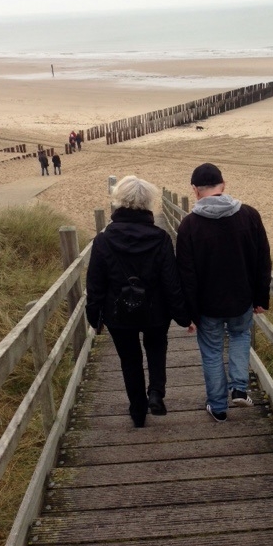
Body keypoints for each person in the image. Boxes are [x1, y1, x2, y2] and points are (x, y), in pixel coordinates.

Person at [86, 175, 194, 428]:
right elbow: (171, 281)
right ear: (148, 203)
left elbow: (95, 283)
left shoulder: (103, 240)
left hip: (118, 312)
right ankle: (156, 392)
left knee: (129, 359)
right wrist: (183, 315)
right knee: (156, 347)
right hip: (156, 310)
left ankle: (137, 410)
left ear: (118, 200)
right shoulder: (160, 238)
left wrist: (94, 317)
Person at [176, 163, 272, 423]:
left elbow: (186, 274)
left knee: (211, 351)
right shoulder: (250, 215)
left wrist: (189, 315)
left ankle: (218, 407)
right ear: (224, 185)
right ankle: (239, 387)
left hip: (207, 305)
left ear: (195, 191)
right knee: (241, 336)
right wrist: (261, 298)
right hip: (242, 298)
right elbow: (263, 260)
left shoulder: (189, 225)